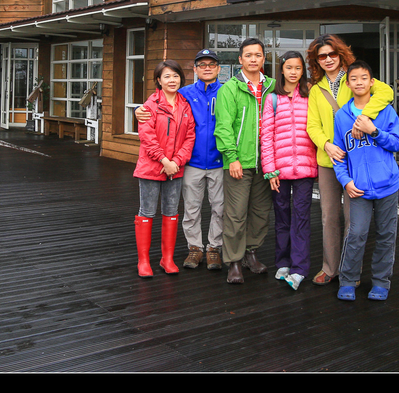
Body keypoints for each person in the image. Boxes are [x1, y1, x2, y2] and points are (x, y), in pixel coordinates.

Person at [306, 34, 395, 286]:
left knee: (353, 219)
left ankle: (350, 271)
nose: (328, 59)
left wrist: (363, 119)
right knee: (329, 217)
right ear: (316, 61)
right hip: (328, 160)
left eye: (332, 54)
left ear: (341, 54)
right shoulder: (316, 89)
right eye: (322, 56)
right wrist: (327, 145)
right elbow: (312, 125)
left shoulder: (356, 78)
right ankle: (330, 268)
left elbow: (386, 92)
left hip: (356, 161)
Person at [135, 48, 225, 270]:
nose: (206, 68)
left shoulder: (225, 92)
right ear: (194, 69)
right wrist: (137, 110)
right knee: (187, 210)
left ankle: (212, 249)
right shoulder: (184, 94)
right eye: (202, 64)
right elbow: (148, 127)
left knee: (218, 209)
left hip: (212, 162)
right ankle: (192, 249)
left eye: (211, 64)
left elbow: (189, 134)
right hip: (184, 164)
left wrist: (175, 161)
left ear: (218, 69)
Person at [331, 60, 399, 301]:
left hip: (388, 186)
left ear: (372, 82)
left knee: (386, 235)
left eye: (364, 78)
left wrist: (374, 131)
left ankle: (381, 282)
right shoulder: (342, 116)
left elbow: (397, 143)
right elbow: (339, 155)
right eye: (354, 79)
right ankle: (348, 280)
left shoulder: (386, 111)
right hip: (358, 188)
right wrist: (346, 181)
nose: (359, 82)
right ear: (348, 84)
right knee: (356, 234)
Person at [214, 37, 275, 284]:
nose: (253, 59)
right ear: (240, 59)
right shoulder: (229, 88)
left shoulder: (272, 87)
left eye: (257, 55)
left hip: (267, 162)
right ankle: (234, 261)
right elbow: (223, 127)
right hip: (240, 161)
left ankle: (251, 253)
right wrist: (232, 158)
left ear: (263, 59)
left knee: (260, 213)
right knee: (236, 214)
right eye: (248, 55)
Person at [260, 51, 317, 291]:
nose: (293, 72)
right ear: (281, 70)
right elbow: (266, 136)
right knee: (282, 217)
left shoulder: (311, 96)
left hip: (305, 168)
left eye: (298, 68)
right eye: (289, 67)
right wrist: (270, 170)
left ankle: (299, 268)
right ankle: (282, 263)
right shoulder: (272, 99)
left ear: (303, 71)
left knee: (301, 218)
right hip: (279, 171)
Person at [133, 60, 196, 278]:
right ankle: (143, 261)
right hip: (151, 168)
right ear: (158, 80)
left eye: (175, 76)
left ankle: (167, 259)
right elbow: (147, 138)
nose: (172, 80)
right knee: (147, 212)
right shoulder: (149, 106)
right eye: (167, 76)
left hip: (175, 169)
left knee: (171, 211)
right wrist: (164, 161)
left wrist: (176, 162)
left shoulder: (185, 105)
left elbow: (190, 137)